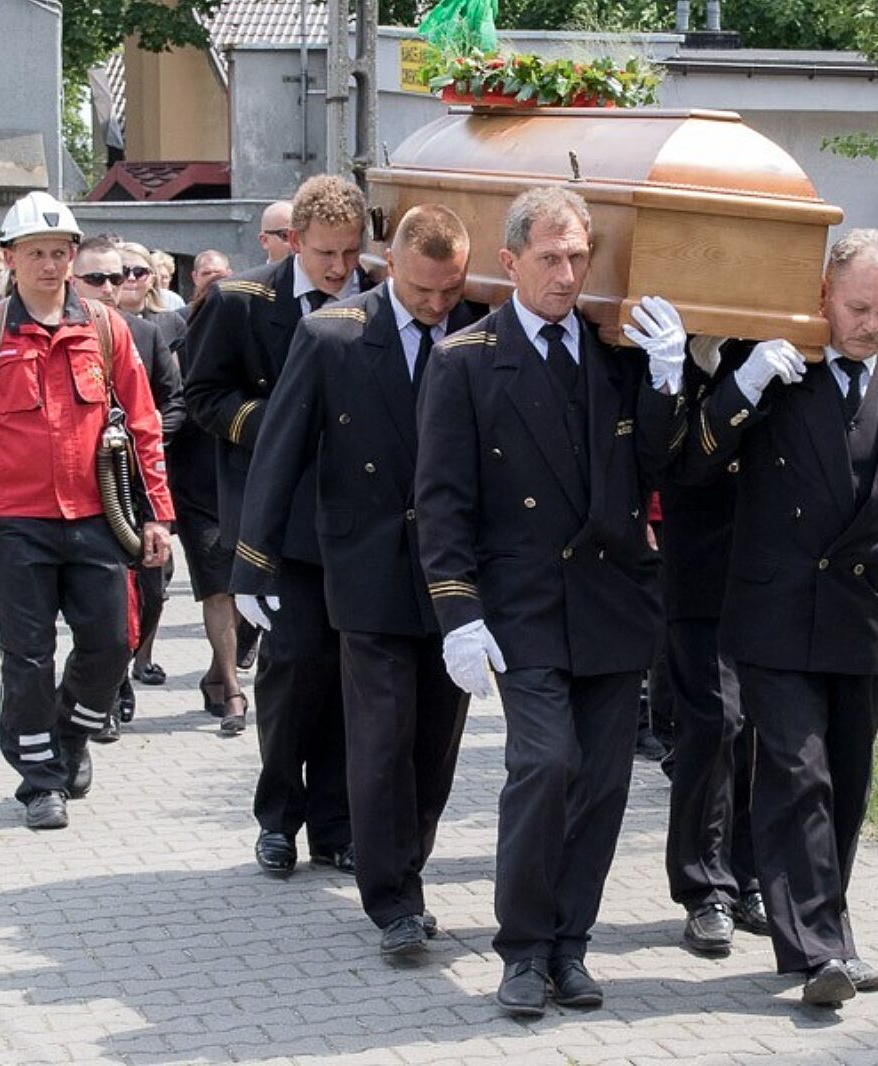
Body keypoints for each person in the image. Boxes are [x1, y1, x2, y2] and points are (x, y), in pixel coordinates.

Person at [681, 228, 878, 1006]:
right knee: (797, 775)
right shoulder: (777, 368)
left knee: (846, 782)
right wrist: (744, 386)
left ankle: (828, 931)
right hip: (774, 612)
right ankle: (820, 951)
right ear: (823, 294)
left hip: (861, 618)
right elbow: (694, 462)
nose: (870, 325)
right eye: (857, 308)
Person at [414, 186, 686, 1016]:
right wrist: (458, 614)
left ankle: (571, 946)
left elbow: (660, 469)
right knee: (544, 764)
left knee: (602, 784)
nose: (567, 275)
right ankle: (524, 949)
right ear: (510, 262)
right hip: (522, 605)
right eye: (550, 258)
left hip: (610, 601)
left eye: (578, 257)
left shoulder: (617, 352)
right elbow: (442, 501)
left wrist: (668, 379)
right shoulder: (465, 360)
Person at [231, 205, 486, 957]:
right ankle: (394, 902)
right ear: (390, 264)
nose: (436, 305)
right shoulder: (331, 334)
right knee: (379, 736)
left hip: (451, 573)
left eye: (450, 290)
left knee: (434, 742)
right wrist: (253, 560)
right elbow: (280, 448)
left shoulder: (480, 333)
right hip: (364, 565)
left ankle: (409, 864)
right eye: (423, 290)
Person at [0, 192, 175, 831]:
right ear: (12, 258)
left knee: (112, 643)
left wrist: (157, 514)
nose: (49, 265)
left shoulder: (106, 328)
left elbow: (145, 426)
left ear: (73, 257)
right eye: (35, 253)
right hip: (17, 524)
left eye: (59, 253)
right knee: (27, 657)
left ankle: (70, 736)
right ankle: (40, 780)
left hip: (98, 518)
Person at [184, 173, 372, 874]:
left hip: (357, 519)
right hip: (280, 518)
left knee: (350, 675)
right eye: (325, 253)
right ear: (294, 241)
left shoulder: (376, 298)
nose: (339, 268)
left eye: (350, 252)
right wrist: (280, 425)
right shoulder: (239, 301)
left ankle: (336, 824)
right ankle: (278, 818)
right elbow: (204, 394)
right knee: (293, 669)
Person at [654, 341, 767, 957]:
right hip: (700, 566)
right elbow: (680, 461)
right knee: (715, 721)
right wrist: (698, 366)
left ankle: (750, 875)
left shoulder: (775, 345)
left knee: (760, 728)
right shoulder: (678, 352)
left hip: (770, 567)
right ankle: (704, 889)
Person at [73, 237, 187, 735]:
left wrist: (145, 433)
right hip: (88, 490)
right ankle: (107, 690)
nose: (109, 288)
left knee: (152, 593)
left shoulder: (145, 333)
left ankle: (127, 665)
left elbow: (175, 401)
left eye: (117, 279)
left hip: (137, 483)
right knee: (104, 605)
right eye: (97, 279)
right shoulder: (65, 332)